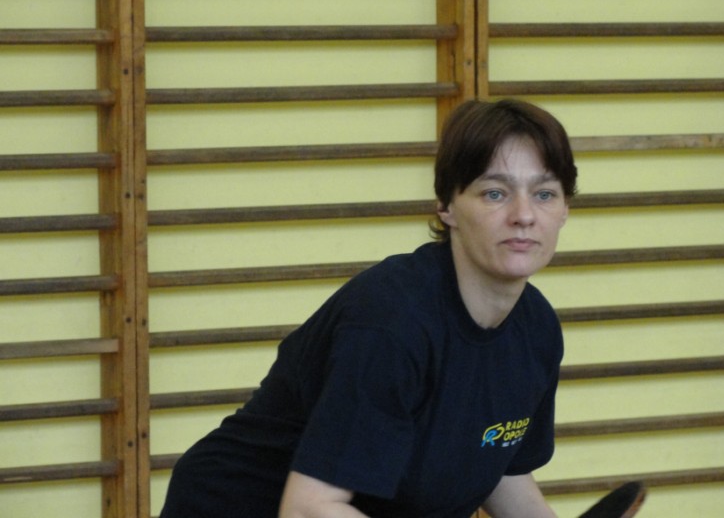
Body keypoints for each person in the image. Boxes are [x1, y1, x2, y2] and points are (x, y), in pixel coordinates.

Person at [160, 98, 578, 518]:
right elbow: (308, 509)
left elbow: (500, 470)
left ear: (564, 210)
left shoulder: (536, 329)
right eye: (495, 193)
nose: (524, 215)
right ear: (446, 206)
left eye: (544, 194)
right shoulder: (393, 323)